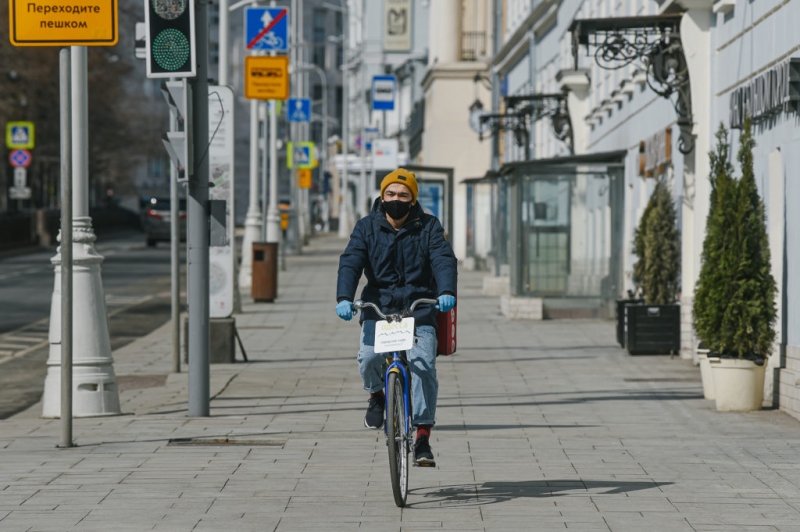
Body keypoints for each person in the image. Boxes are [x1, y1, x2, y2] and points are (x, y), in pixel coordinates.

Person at [335, 168, 457, 466]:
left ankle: (423, 436)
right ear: (382, 195)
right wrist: (344, 298)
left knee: (423, 366)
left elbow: (443, 258)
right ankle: (377, 395)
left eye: (403, 195)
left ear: (413, 200)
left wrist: (445, 291)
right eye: (390, 194)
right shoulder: (366, 227)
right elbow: (351, 261)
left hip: (419, 308)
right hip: (380, 307)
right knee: (368, 358)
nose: (396, 200)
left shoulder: (429, 226)